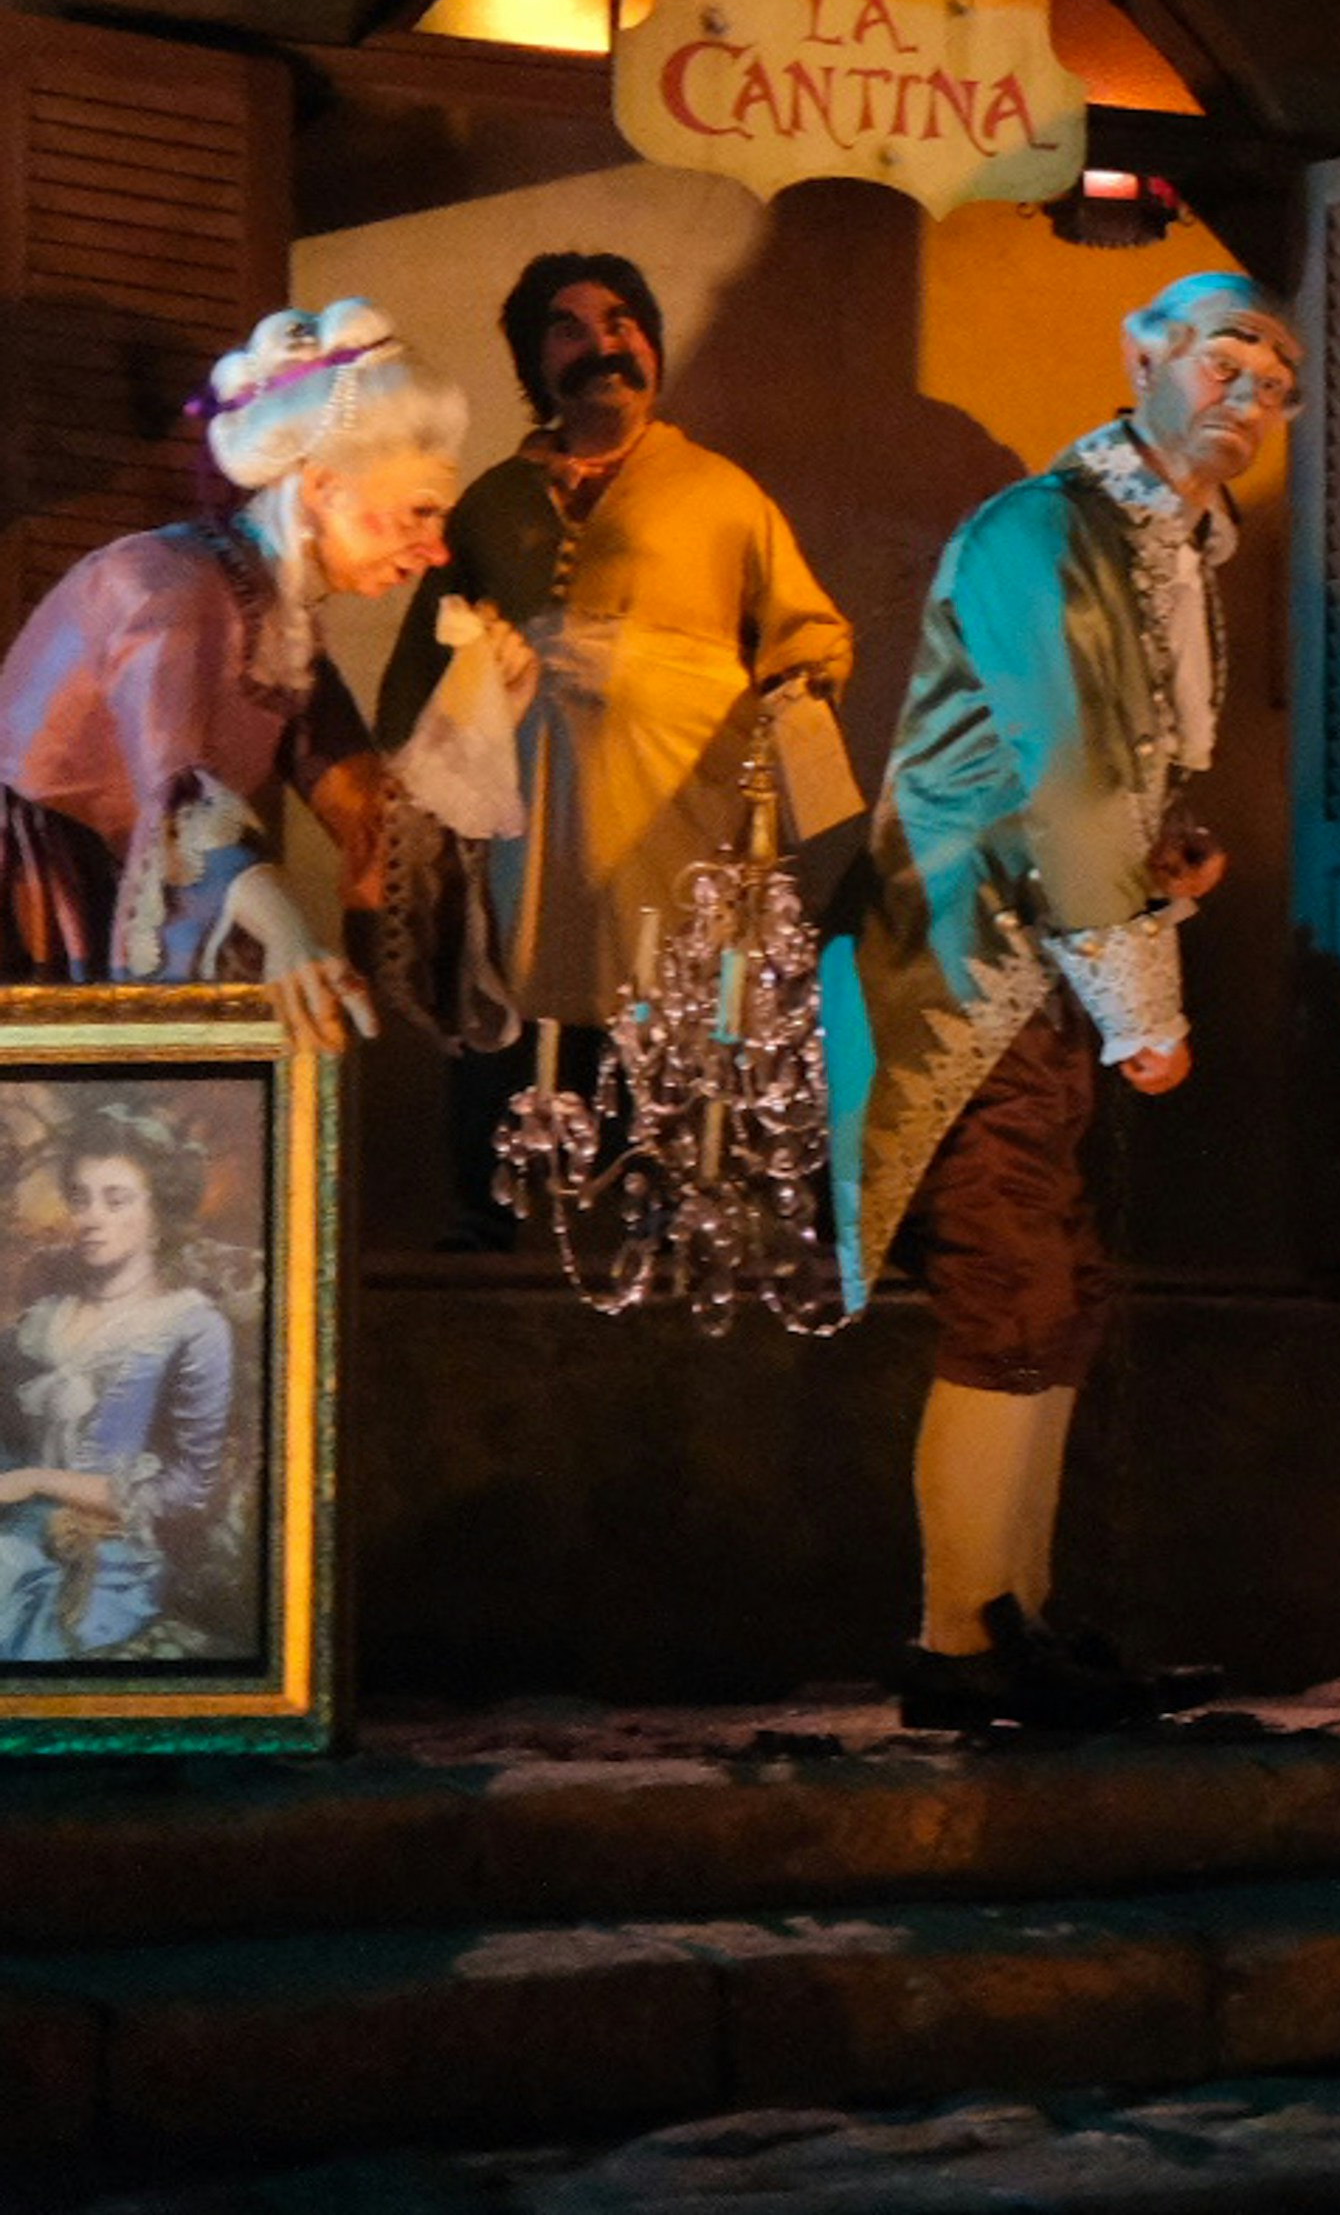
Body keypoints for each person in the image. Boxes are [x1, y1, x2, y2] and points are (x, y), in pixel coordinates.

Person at [821, 269, 1299, 1729]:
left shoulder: (1156, 548)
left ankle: (1010, 1614)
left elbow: (1115, 785)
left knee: (1056, 1291)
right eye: (1229, 362)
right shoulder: (1045, 530)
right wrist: (1148, 1006)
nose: (1253, 399)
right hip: (965, 961)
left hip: (1038, 966)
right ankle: (958, 1640)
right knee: (1012, 1288)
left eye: (1277, 388)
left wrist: (1164, 871)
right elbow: (1072, 779)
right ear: (1143, 353)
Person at [379, 251, 854, 1245]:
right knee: (508, 981)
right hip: (527, 804)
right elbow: (427, 654)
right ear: (533, 360)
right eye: (570, 327)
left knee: (668, 987)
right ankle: (493, 1219)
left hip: (678, 799)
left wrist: (801, 682)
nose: (604, 345)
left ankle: (670, 1208)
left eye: (622, 322)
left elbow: (806, 628)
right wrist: (402, 784)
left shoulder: (723, 491)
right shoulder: (491, 502)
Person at [0, 301, 466, 1048]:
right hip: (33, 897)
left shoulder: (281, 620)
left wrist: (485, 714)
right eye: (419, 511)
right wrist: (285, 931)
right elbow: (180, 794)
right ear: (322, 487)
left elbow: (368, 813)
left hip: (118, 881)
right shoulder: (169, 587)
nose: (436, 549)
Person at [0, 1105, 242, 1660]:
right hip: (14, 1529)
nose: (90, 1218)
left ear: (158, 1212)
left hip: (107, 1554)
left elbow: (190, 1488)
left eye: (116, 1200)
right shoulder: (45, 1317)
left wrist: (38, 1480)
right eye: (80, 1198)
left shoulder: (190, 1326)